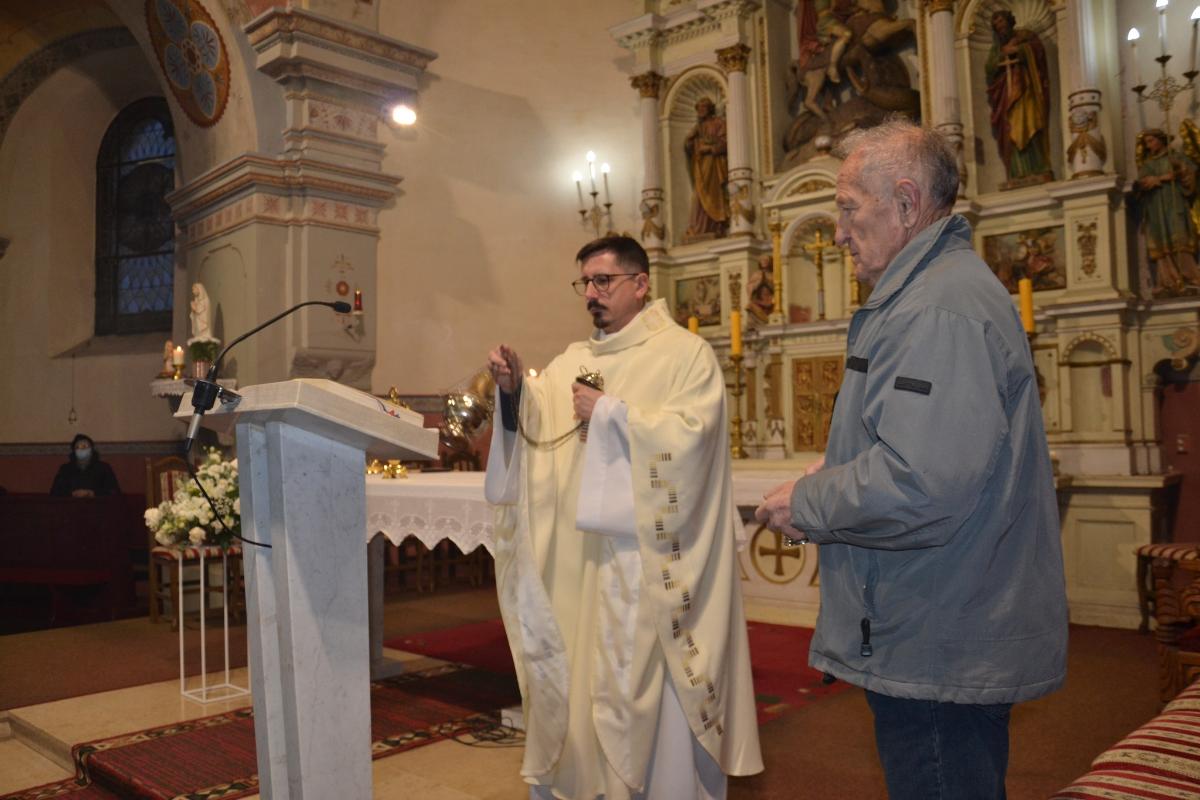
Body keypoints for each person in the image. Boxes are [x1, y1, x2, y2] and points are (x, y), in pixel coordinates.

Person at [754, 119, 1067, 800]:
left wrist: (809, 503)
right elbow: (925, 450)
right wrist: (834, 473)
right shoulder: (934, 293)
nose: (838, 233)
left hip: (936, 630)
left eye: (847, 208)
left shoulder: (936, 310)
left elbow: (923, 485)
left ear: (904, 202)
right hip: (939, 615)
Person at [485, 235, 762, 799]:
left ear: (640, 284)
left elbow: (695, 440)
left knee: (643, 694)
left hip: (643, 565)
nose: (591, 293)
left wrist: (610, 414)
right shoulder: (572, 362)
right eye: (585, 282)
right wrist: (513, 393)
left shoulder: (684, 355)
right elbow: (540, 430)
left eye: (603, 281)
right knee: (579, 683)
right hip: (579, 564)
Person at [986, 9, 1053, 186]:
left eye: (1001, 21)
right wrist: (1002, 55)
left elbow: (1038, 52)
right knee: (1011, 130)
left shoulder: (1025, 36)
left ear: (1009, 21)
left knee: (1031, 123)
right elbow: (989, 68)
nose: (999, 26)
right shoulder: (996, 48)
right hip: (1007, 95)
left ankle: (1039, 167)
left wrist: (1019, 50)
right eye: (996, 24)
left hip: (1027, 91)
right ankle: (1017, 172)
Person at [1135, 128, 1200, 296]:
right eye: (1146, 143)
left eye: (1151, 141)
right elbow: (1140, 185)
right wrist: (1160, 178)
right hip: (1155, 208)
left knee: (1180, 237)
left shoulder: (1176, 157)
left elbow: (1191, 173)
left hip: (1174, 204)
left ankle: (1190, 278)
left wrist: (1179, 170)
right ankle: (1168, 282)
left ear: (1161, 140)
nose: (1148, 146)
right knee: (1160, 243)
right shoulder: (1148, 165)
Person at [684, 98, 730, 240]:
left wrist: (709, 149)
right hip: (700, 166)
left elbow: (726, 142)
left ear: (710, 109)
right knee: (699, 194)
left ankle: (715, 225)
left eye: (703, 108)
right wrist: (690, 141)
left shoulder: (719, 123)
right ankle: (699, 227)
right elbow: (688, 147)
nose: (700, 111)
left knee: (714, 194)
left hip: (714, 165)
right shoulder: (698, 127)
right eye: (698, 108)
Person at [50, 434, 121, 498]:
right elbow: (55, 492)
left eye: (84, 447)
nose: (81, 450)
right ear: (74, 451)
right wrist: (72, 494)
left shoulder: (103, 468)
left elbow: (113, 491)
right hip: (72, 506)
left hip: (97, 506)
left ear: (91, 449)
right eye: (78, 447)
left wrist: (93, 493)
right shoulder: (65, 469)